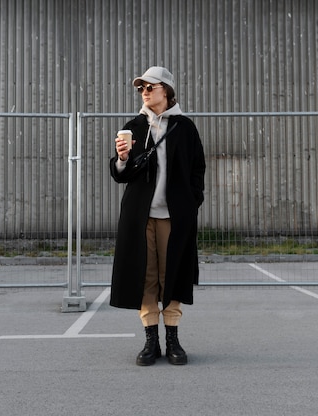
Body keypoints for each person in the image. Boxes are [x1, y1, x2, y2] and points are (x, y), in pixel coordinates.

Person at [109, 66, 206, 366]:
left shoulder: (185, 128)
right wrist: (123, 159)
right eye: (141, 89)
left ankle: (173, 338)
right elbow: (118, 174)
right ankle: (151, 338)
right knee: (146, 276)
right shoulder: (134, 127)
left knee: (173, 276)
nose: (145, 92)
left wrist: (191, 203)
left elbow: (197, 171)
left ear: (167, 90)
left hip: (174, 218)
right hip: (140, 217)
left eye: (150, 86)